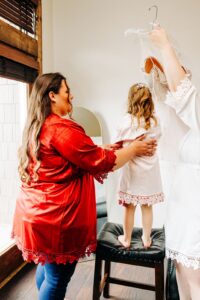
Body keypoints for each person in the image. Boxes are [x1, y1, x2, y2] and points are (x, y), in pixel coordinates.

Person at [11, 72, 157, 300]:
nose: (72, 96)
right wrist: (134, 150)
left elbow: (83, 154)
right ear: (52, 96)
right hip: (54, 220)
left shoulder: (39, 125)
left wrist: (112, 147)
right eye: (67, 92)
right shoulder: (61, 129)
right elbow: (102, 161)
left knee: (48, 268)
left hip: (36, 213)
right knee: (57, 278)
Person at [150, 27, 200, 300]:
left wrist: (165, 45)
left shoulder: (193, 112)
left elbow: (185, 97)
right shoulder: (187, 124)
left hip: (194, 214)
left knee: (194, 286)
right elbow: (178, 99)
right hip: (182, 210)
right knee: (185, 284)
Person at [115, 83, 164, 249]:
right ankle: (147, 239)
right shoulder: (154, 122)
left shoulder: (127, 121)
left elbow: (118, 142)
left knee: (129, 207)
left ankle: (127, 239)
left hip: (132, 171)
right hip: (149, 171)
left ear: (131, 100)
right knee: (147, 205)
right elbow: (158, 138)